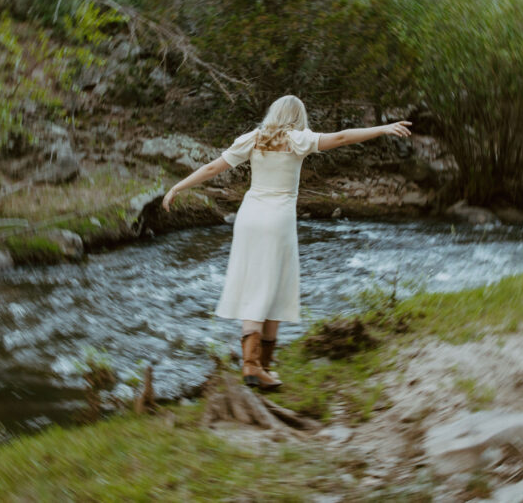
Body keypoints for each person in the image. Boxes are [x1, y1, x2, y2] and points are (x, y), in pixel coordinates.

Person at [162, 95, 411, 389]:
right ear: (298, 116)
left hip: (249, 218)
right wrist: (382, 129)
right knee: (276, 287)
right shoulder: (298, 139)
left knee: (255, 287)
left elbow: (212, 168)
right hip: (277, 221)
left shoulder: (253, 138)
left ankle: (258, 366)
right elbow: (343, 137)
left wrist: (177, 187)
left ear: (273, 114)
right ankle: (256, 365)